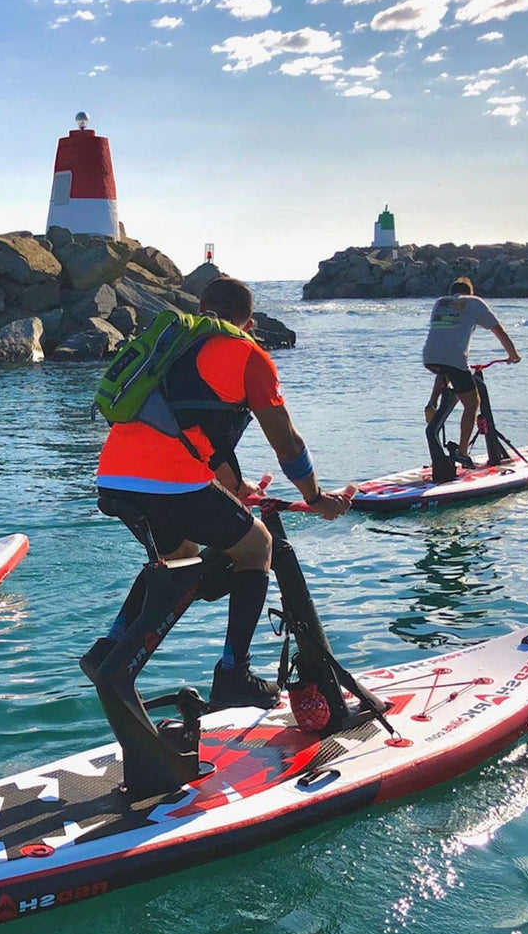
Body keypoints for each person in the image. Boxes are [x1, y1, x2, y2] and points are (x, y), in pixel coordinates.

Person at [93, 277, 352, 710]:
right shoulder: (248, 354)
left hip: (115, 477)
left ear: (201, 306)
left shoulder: (173, 347)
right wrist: (315, 497)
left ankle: (112, 646)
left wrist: (236, 489)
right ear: (247, 323)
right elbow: (286, 440)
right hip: (170, 483)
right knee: (257, 547)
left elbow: (191, 428)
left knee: (180, 559)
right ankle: (234, 674)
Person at [422, 277, 520, 465]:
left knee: (449, 374)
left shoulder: (440, 303)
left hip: (430, 357)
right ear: (470, 292)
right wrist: (513, 354)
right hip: (453, 359)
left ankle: (432, 403)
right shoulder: (474, 302)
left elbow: (445, 335)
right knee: (472, 402)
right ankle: (463, 452)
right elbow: (500, 332)